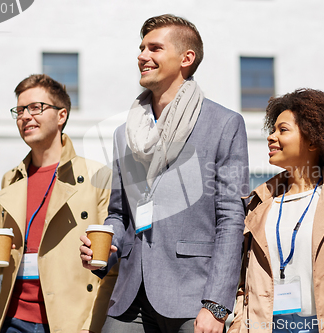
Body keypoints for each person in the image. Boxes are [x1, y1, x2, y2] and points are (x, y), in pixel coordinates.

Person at [79, 14, 249, 333]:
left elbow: (231, 218)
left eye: (154, 48)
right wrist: (106, 244)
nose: (142, 56)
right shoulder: (123, 133)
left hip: (192, 296)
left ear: (186, 58)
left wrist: (216, 305)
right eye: (141, 48)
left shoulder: (224, 124)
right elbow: (119, 214)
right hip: (130, 294)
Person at [0, 74, 113, 333]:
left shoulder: (97, 176)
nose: (25, 116)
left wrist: (90, 324)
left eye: (36, 107)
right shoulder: (12, 178)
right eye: (19, 110)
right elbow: (7, 259)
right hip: (13, 319)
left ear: (61, 115)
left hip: (69, 321)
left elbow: (111, 263)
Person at [228, 89, 324, 333]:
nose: (271, 137)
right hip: (267, 326)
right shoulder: (259, 203)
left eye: (283, 130)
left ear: (313, 140)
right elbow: (244, 282)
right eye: (273, 130)